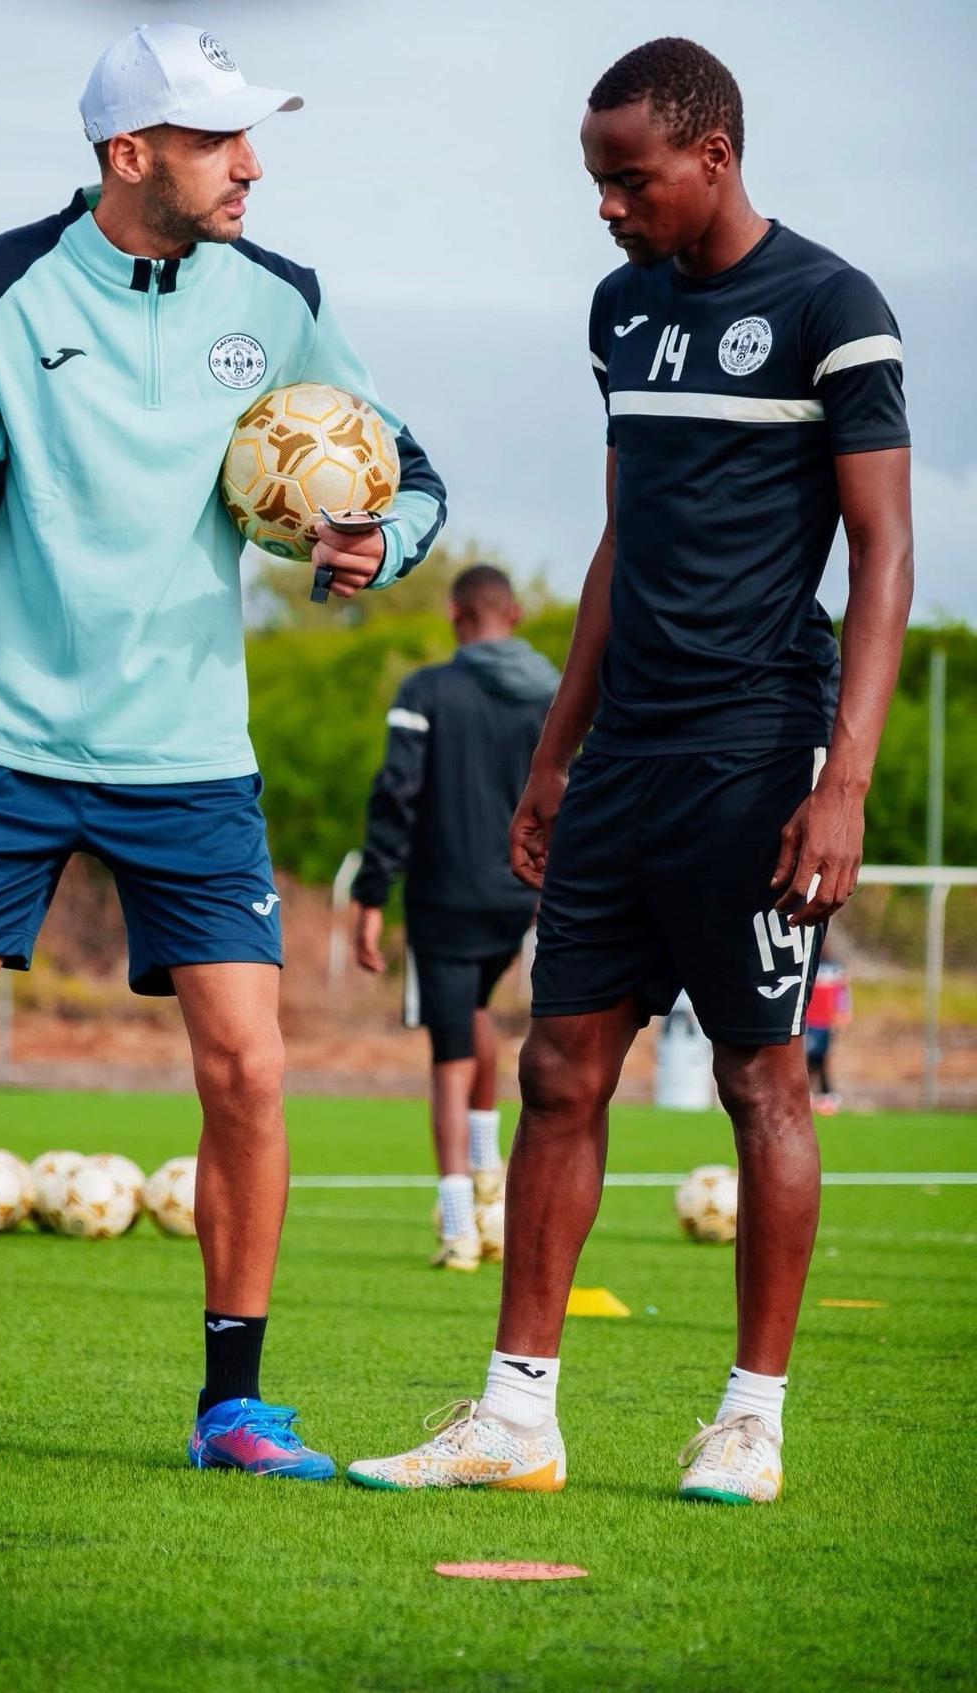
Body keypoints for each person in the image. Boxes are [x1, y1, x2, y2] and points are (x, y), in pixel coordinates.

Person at [0, 21, 444, 1474]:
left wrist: (377, 542)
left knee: (251, 1072)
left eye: (254, 138)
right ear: (129, 154)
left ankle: (235, 1406)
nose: (251, 165)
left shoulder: (283, 301)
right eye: (219, 141)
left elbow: (416, 474)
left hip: (191, 751)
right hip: (2, 733)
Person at [348, 37, 911, 1503]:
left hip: (755, 752)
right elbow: (621, 542)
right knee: (555, 1068)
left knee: (758, 1076)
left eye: (628, 179)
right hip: (626, 758)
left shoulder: (833, 309)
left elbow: (885, 551)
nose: (607, 207)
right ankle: (516, 1415)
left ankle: (750, 1418)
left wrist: (842, 778)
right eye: (596, 180)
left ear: (712, 157)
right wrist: (552, 754)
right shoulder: (620, 312)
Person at [351, 566, 559, 1270]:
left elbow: (396, 792)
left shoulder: (428, 690)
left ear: (454, 614)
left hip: (443, 895)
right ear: (517, 612)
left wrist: (371, 893)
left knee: (447, 1052)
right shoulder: (555, 693)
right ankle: (487, 1163)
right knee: (475, 1012)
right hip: (521, 895)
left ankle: (457, 1224)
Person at [805, 955, 852, 1113]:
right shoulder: (806, 961)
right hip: (808, 1021)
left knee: (819, 1058)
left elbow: (843, 992)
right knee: (810, 1058)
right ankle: (815, 1094)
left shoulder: (835, 968)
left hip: (824, 1022)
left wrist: (843, 1012)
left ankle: (827, 1094)